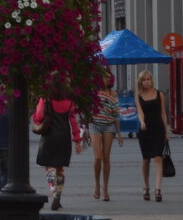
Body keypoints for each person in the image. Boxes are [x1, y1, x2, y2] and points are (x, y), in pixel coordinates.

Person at [33, 81, 84, 211]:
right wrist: (77, 140)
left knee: (50, 168)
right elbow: (73, 121)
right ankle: (59, 194)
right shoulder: (69, 101)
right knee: (60, 168)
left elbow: (38, 117)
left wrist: (36, 118)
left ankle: (53, 191)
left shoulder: (46, 99)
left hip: (49, 136)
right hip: (64, 136)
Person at [135, 69, 170, 202]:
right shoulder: (138, 96)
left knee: (158, 158)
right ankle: (146, 186)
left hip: (158, 130)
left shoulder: (159, 94)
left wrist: (166, 132)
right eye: (144, 79)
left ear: (151, 80)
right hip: (145, 131)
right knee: (146, 160)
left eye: (148, 79)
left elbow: (163, 113)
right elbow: (140, 112)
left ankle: (158, 190)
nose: (146, 82)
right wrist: (142, 122)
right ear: (140, 82)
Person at [89, 70, 123, 202]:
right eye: (104, 77)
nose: (106, 80)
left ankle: (105, 188)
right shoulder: (93, 92)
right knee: (98, 157)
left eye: (109, 78)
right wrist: (85, 129)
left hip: (109, 125)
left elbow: (116, 114)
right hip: (95, 124)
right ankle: (97, 184)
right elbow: (87, 110)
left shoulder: (113, 94)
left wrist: (119, 134)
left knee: (106, 156)